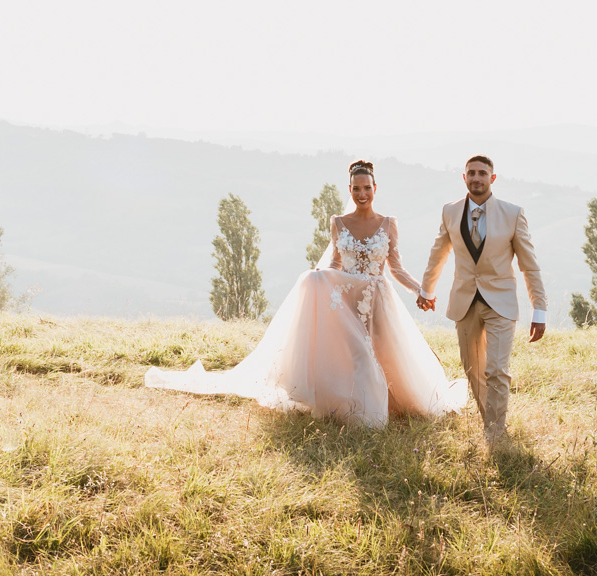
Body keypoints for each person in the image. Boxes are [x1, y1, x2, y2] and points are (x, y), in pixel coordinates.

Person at [145, 160, 469, 427]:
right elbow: (335, 262)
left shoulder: (388, 223)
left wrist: (421, 290)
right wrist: (317, 276)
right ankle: (364, 415)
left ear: (375, 188)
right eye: (356, 189)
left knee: (384, 355)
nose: (361, 194)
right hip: (343, 298)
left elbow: (395, 267)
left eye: (367, 188)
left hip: (377, 299)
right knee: (357, 355)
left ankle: (389, 404)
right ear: (350, 190)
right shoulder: (338, 223)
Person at [419, 154, 548, 448]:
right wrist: (427, 290)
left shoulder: (512, 214)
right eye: (471, 173)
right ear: (464, 178)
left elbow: (529, 265)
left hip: (501, 302)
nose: (476, 177)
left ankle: (495, 434)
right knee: (472, 369)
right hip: (464, 301)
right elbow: (438, 253)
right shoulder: (450, 212)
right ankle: (489, 423)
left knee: (497, 370)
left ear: (493, 178)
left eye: (482, 173)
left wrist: (539, 309)